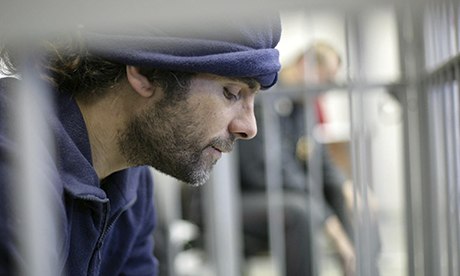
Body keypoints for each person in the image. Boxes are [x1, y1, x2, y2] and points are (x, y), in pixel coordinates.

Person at [0, 14, 281, 276]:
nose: (249, 127)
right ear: (145, 71)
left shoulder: (131, 177)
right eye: (231, 93)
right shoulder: (14, 160)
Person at [238, 41, 358, 276]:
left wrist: (346, 186)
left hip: (275, 192)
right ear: (305, 65)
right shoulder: (264, 95)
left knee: (347, 198)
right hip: (237, 197)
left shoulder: (302, 104)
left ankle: (359, 267)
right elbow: (272, 169)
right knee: (301, 212)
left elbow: (317, 156)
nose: (326, 89)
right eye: (326, 78)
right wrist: (328, 221)